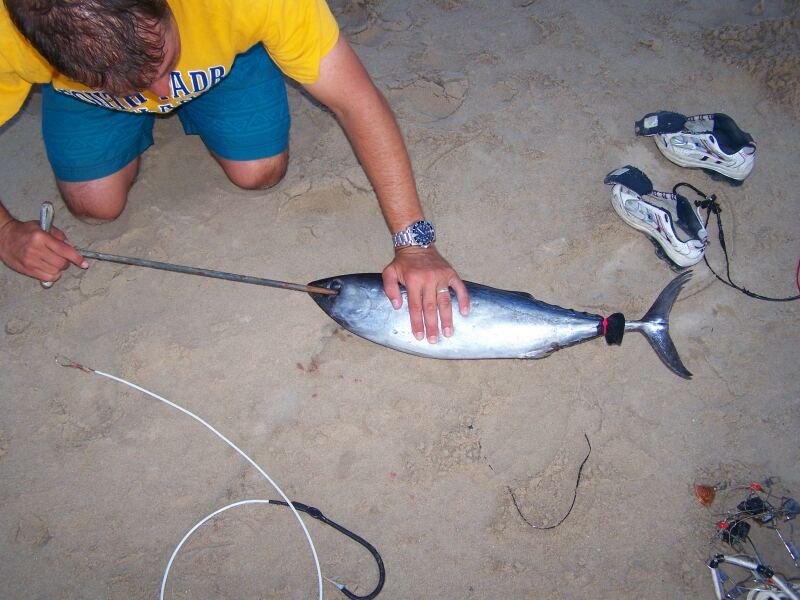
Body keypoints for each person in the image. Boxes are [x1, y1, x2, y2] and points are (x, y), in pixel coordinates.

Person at [0, 0, 470, 343]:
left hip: (222, 60)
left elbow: (354, 100)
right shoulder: (9, 37)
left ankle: (243, 53)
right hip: (85, 98)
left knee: (260, 171)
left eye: (162, 61)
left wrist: (415, 241)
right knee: (93, 205)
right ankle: (113, 86)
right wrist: (5, 232)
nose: (161, 94)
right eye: (134, 83)